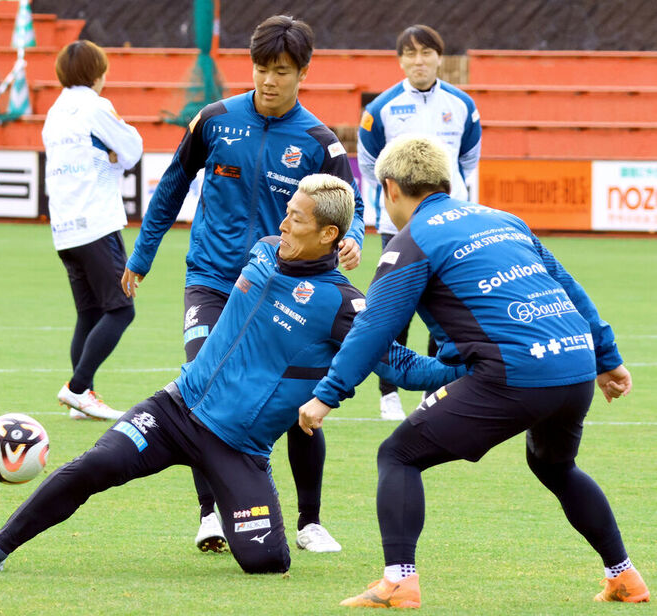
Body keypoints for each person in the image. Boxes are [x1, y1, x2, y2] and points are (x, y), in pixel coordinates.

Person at [0, 174, 461, 576]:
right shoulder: (262, 251)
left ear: (330, 234)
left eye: (297, 220)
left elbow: (401, 365)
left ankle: (248, 498)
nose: (283, 224)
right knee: (91, 467)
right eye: (286, 213)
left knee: (267, 563)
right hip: (173, 411)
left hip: (238, 449)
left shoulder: (343, 306)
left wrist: (463, 366)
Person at [298, 135, 650, 608]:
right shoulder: (504, 220)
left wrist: (327, 394)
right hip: (575, 366)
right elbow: (569, 288)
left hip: (514, 375)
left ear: (390, 189)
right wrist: (607, 359)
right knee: (555, 465)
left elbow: (372, 330)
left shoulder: (411, 242)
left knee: (399, 455)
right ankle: (624, 576)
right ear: (447, 180)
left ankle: (399, 580)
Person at [121, 14, 365, 554]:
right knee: (202, 388)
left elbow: (355, 206)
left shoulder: (321, 142)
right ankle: (209, 515)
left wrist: (353, 241)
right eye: (260, 68)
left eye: (281, 70)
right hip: (212, 280)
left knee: (300, 398)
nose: (268, 80)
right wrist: (142, 254)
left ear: (303, 72)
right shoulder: (213, 120)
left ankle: (309, 521)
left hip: (283, 289)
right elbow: (170, 189)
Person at [356, 24, 481, 421]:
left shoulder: (463, 105)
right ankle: (388, 393)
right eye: (410, 54)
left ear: (439, 57)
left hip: (453, 223)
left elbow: (468, 164)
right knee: (396, 310)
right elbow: (370, 169)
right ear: (400, 60)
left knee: (446, 309)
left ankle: (437, 390)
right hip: (400, 228)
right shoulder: (381, 109)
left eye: (426, 52)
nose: (419, 60)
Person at [44, 40, 143, 421]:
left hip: (64, 228)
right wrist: (114, 155)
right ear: (98, 73)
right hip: (96, 223)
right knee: (121, 310)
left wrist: (109, 154)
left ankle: (81, 400)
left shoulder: (55, 111)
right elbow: (132, 148)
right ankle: (78, 388)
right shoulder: (96, 107)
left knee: (89, 313)